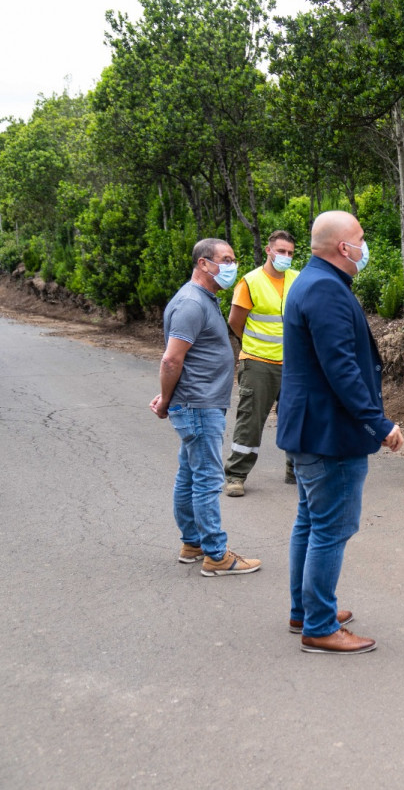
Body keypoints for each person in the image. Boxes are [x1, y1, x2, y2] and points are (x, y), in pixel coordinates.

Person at [276, 211, 404, 655]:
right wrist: (379, 423)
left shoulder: (312, 282)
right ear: (342, 248)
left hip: (311, 427)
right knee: (331, 527)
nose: (365, 246)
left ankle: (305, 609)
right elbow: (342, 369)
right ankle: (320, 625)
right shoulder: (326, 290)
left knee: (311, 522)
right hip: (330, 432)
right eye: (361, 239)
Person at [150, 238, 262, 576]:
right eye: (225, 259)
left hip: (199, 402)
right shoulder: (191, 303)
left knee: (189, 475)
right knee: (208, 479)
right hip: (198, 405)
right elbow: (172, 359)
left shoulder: (203, 299)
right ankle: (216, 555)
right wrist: (166, 399)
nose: (232, 265)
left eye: (233, 258)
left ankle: (193, 544)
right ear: (203, 263)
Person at [224, 230, 299, 496]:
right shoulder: (250, 281)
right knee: (251, 420)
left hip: (293, 364)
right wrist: (252, 345)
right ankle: (236, 475)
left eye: (290, 253)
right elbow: (235, 321)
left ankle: (295, 472)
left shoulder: (298, 280)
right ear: (268, 251)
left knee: (297, 418)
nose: (286, 257)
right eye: (281, 251)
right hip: (258, 362)